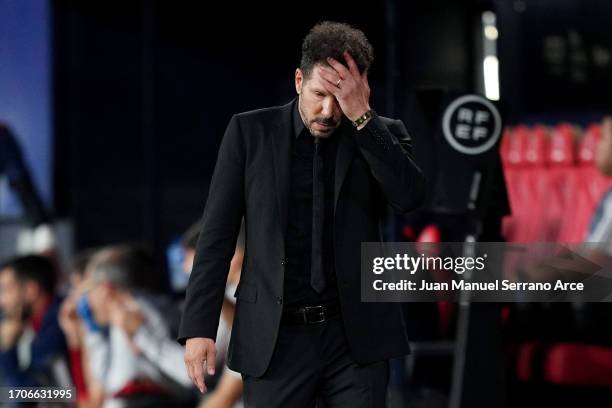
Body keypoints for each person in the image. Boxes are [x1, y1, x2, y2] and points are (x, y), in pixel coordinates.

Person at [178, 21, 425, 407]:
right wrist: (198, 328)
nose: (328, 110)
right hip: (275, 338)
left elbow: (410, 197)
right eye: (319, 94)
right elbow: (217, 235)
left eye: (341, 98)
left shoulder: (380, 135)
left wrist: (362, 118)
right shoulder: (249, 133)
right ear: (298, 81)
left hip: (355, 337)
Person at [0, 255, 69, 388]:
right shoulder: (42, 322)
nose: (2, 302)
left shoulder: (58, 326)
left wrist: (7, 348)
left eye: (6, 290)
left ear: (31, 290)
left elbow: (31, 396)